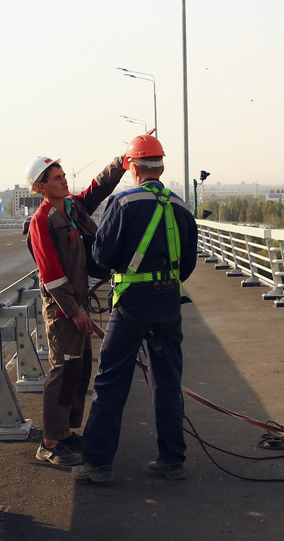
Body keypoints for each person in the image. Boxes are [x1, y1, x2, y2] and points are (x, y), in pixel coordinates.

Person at [72, 134, 198, 484]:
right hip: (169, 303)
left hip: (131, 306)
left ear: (132, 167)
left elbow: (101, 256)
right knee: (167, 382)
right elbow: (187, 262)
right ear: (161, 166)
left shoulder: (124, 202)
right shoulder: (181, 205)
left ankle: (97, 463)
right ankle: (172, 460)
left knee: (111, 381)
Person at [24, 153, 127, 465]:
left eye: (63, 175)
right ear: (41, 187)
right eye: (57, 178)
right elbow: (51, 274)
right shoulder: (41, 222)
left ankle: (65, 433)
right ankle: (50, 442)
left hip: (78, 305)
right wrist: (73, 311)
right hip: (62, 312)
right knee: (62, 372)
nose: (64, 180)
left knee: (80, 370)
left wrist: (122, 161)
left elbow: (98, 187)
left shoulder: (72, 208)